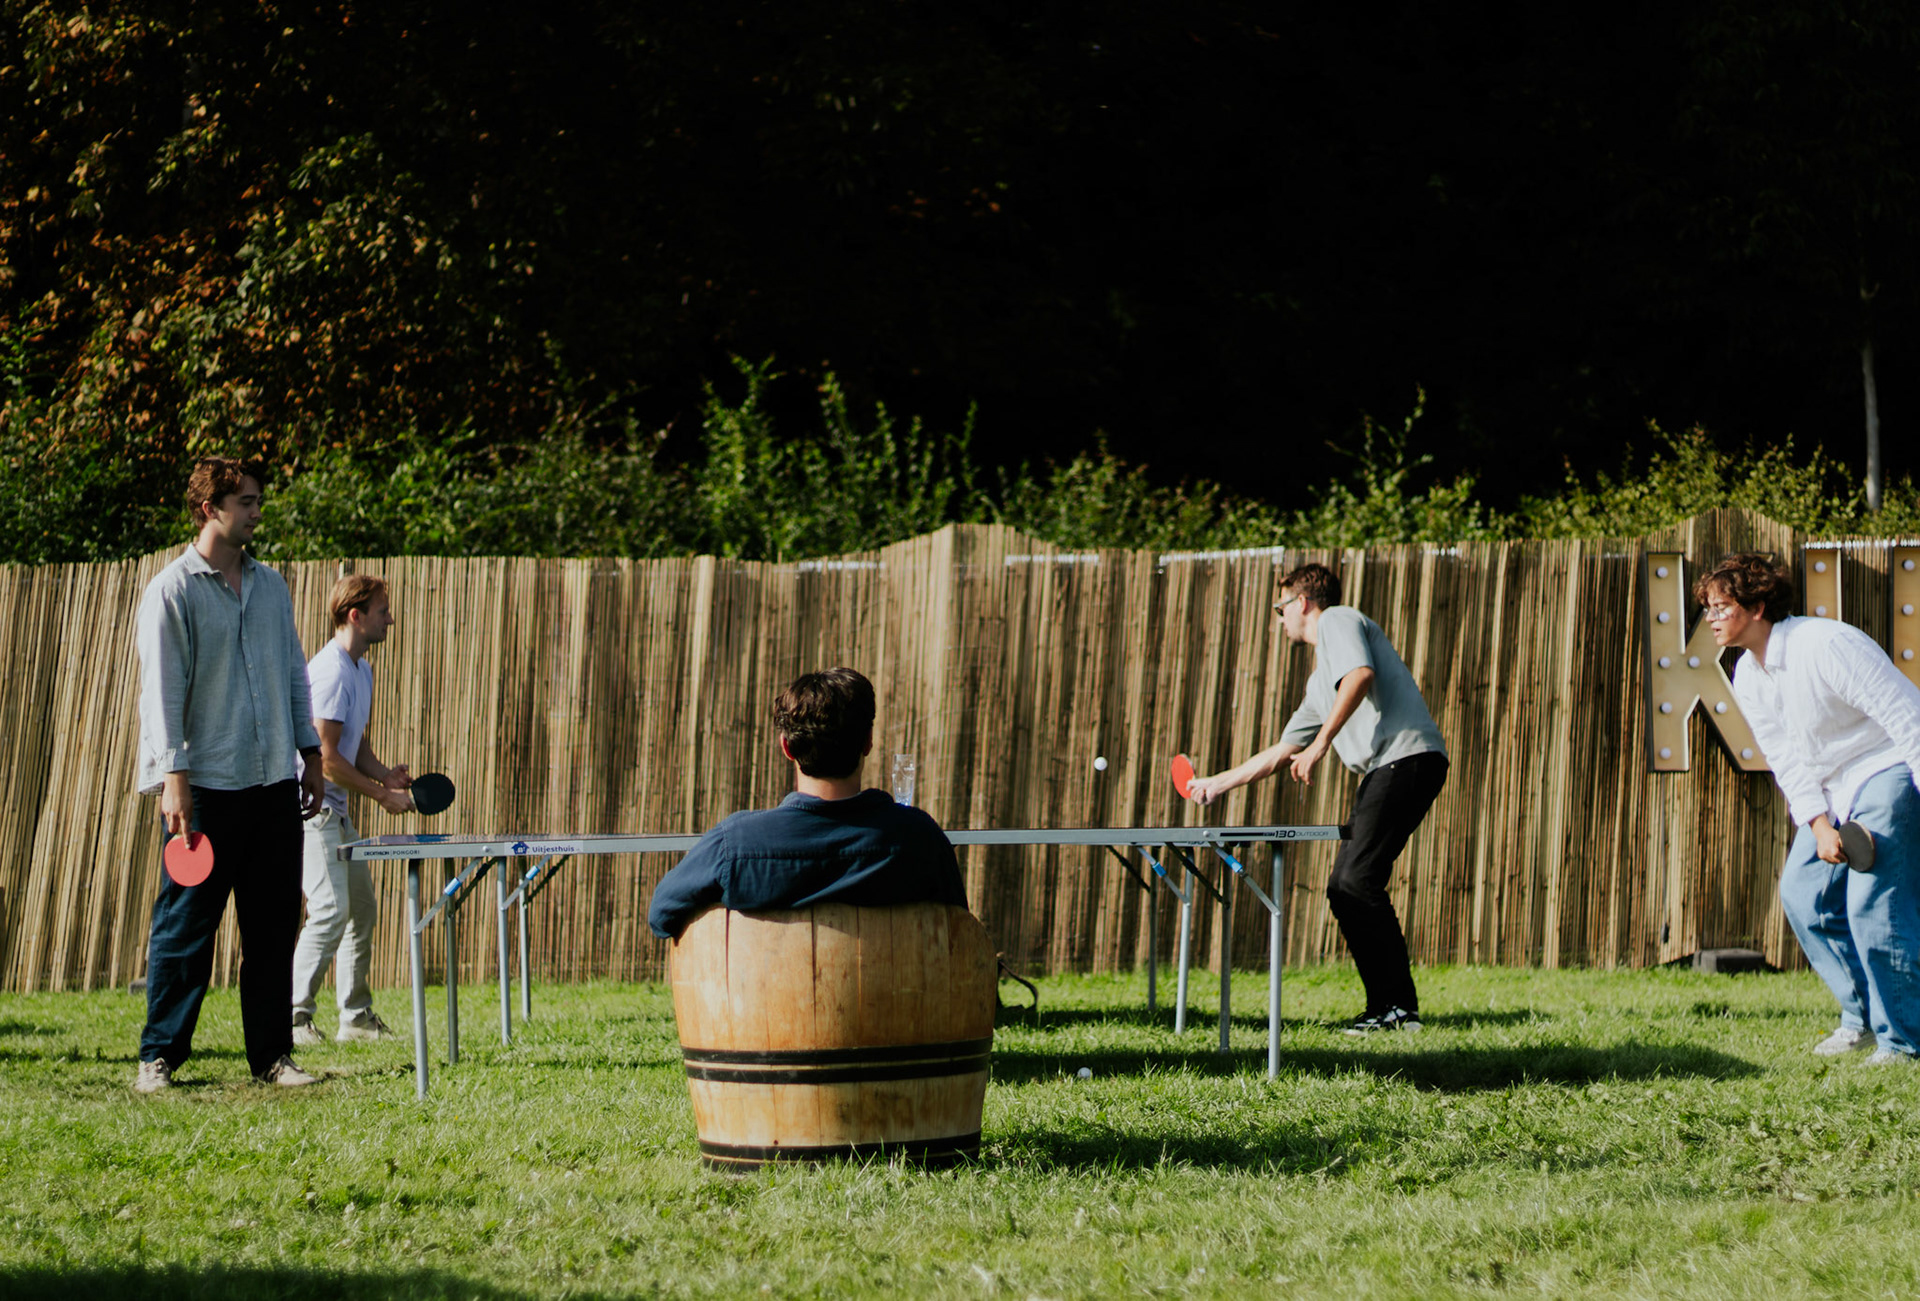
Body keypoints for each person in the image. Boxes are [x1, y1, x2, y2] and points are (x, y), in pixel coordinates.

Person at [1184, 563, 1449, 1033]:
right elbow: (1281, 752)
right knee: (1345, 887)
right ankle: (1387, 1008)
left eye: (1279, 607)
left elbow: (1362, 675)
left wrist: (1322, 743)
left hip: (1407, 760)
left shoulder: (1339, 620)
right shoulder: (1320, 681)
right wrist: (1216, 783)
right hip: (1389, 768)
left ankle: (1398, 1009)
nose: (1278, 618)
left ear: (1302, 602)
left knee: (1355, 881)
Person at [133, 457, 326, 1092]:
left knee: (272, 930)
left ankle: (273, 1058)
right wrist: (175, 780)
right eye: (244, 501)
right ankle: (159, 1057)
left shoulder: (273, 587)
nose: (255, 511)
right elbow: (161, 695)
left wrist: (312, 755)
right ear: (208, 508)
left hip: (273, 784)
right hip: (205, 790)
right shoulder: (172, 591)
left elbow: (296, 675)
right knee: (186, 928)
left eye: (257, 500)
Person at [1704, 552, 1920, 1065]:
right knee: (1803, 895)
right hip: (1831, 790)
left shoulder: (1826, 644)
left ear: (1757, 607)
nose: (1711, 618)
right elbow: (1786, 760)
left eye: (1721, 606)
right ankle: (1863, 1019)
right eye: (1708, 608)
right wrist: (1820, 825)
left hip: (1884, 765)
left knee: (1874, 905)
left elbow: (1905, 714)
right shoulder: (1748, 676)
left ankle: (1903, 1041)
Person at [649, 667, 967, 939]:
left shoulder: (734, 844)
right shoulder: (920, 838)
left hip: (763, 1010)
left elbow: (661, 917)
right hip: (895, 1007)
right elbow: (958, 930)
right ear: (868, 741)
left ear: (786, 747)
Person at [291, 574, 414, 1046]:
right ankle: (295, 1018)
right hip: (312, 810)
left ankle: (355, 1018)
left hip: (338, 810)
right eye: (383, 610)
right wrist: (381, 796)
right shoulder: (331, 671)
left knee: (360, 910)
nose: (391, 618)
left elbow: (352, 745)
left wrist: (385, 775)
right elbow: (324, 758)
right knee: (328, 910)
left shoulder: (360, 670)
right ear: (355, 616)